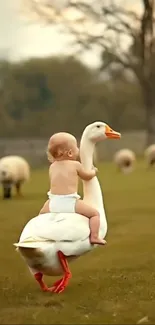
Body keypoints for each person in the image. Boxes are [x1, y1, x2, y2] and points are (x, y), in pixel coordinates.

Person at [39, 132, 106, 245]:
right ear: (70, 153)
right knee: (94, 214)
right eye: (76, 147)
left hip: (52, 202)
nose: (78, 149)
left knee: (41, 215)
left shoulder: (52, 167)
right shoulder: (75, 165)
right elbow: (87, 176)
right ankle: (94, 236)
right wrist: (93, 171)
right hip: (69, 202)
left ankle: (41, 233)